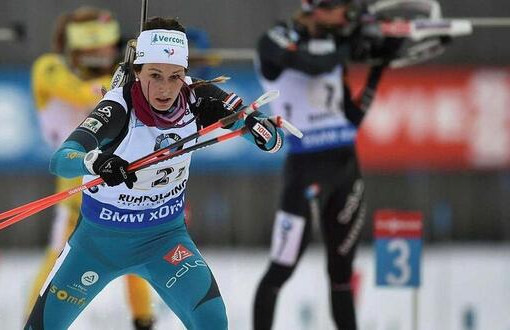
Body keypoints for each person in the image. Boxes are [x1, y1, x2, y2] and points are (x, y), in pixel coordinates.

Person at [25, 16, 284, 330]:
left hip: (163, 241)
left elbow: (269, 139)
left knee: (213, 321)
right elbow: (63, 159)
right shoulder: (118, 107)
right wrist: (96, 162)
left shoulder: (198, 99)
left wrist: (259, 128)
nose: (165, 88)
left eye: (175, 76)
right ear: (137, 72)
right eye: (155, 75)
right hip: (97, 244)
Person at [251, 0, 394, 329]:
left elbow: (351, 118)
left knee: (342, 273)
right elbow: (313, 64)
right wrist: (348, 45)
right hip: (304, 169)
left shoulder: (334, 44)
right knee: (282, 267)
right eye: (340, 8)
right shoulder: (279, 36)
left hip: (346, 166)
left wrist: (378, 67)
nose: (346, 16)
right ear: (317, 8)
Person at [28, 7, 157, 330]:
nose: (102, 54)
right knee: (59, 261)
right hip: (74, 177)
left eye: (105, 47)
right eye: (93, 49)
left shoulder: (114, 74)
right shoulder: (49, 68)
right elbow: (80, 91)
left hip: (117, 172)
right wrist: (133, 73)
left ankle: (144, 320)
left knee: (133, 255)